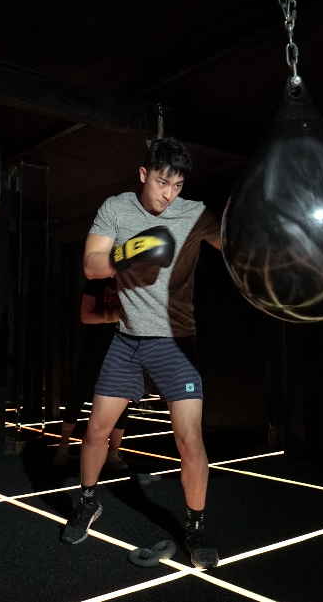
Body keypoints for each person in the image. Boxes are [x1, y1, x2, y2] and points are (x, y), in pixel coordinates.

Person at [61, 137, 222, 569]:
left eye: (177, 185)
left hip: (176, 342)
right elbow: (92, 265)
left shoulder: (195, 213)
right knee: (96, 431)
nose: (169, 194)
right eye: (162, 182)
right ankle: (88, 503)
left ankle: (196, 526)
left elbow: (237, 245)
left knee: (189, 440)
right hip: (127, 340)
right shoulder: (116, 208)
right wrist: (131, 250)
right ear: (143, 174)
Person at [54, 277, 129, 470]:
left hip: (122, 349)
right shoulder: (97, 282)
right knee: (80, 393)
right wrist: (117, 315)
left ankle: (113, 453)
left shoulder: (131, 280)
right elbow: (86, 316)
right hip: (95, 347)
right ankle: (63, 446)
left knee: (122, 399)